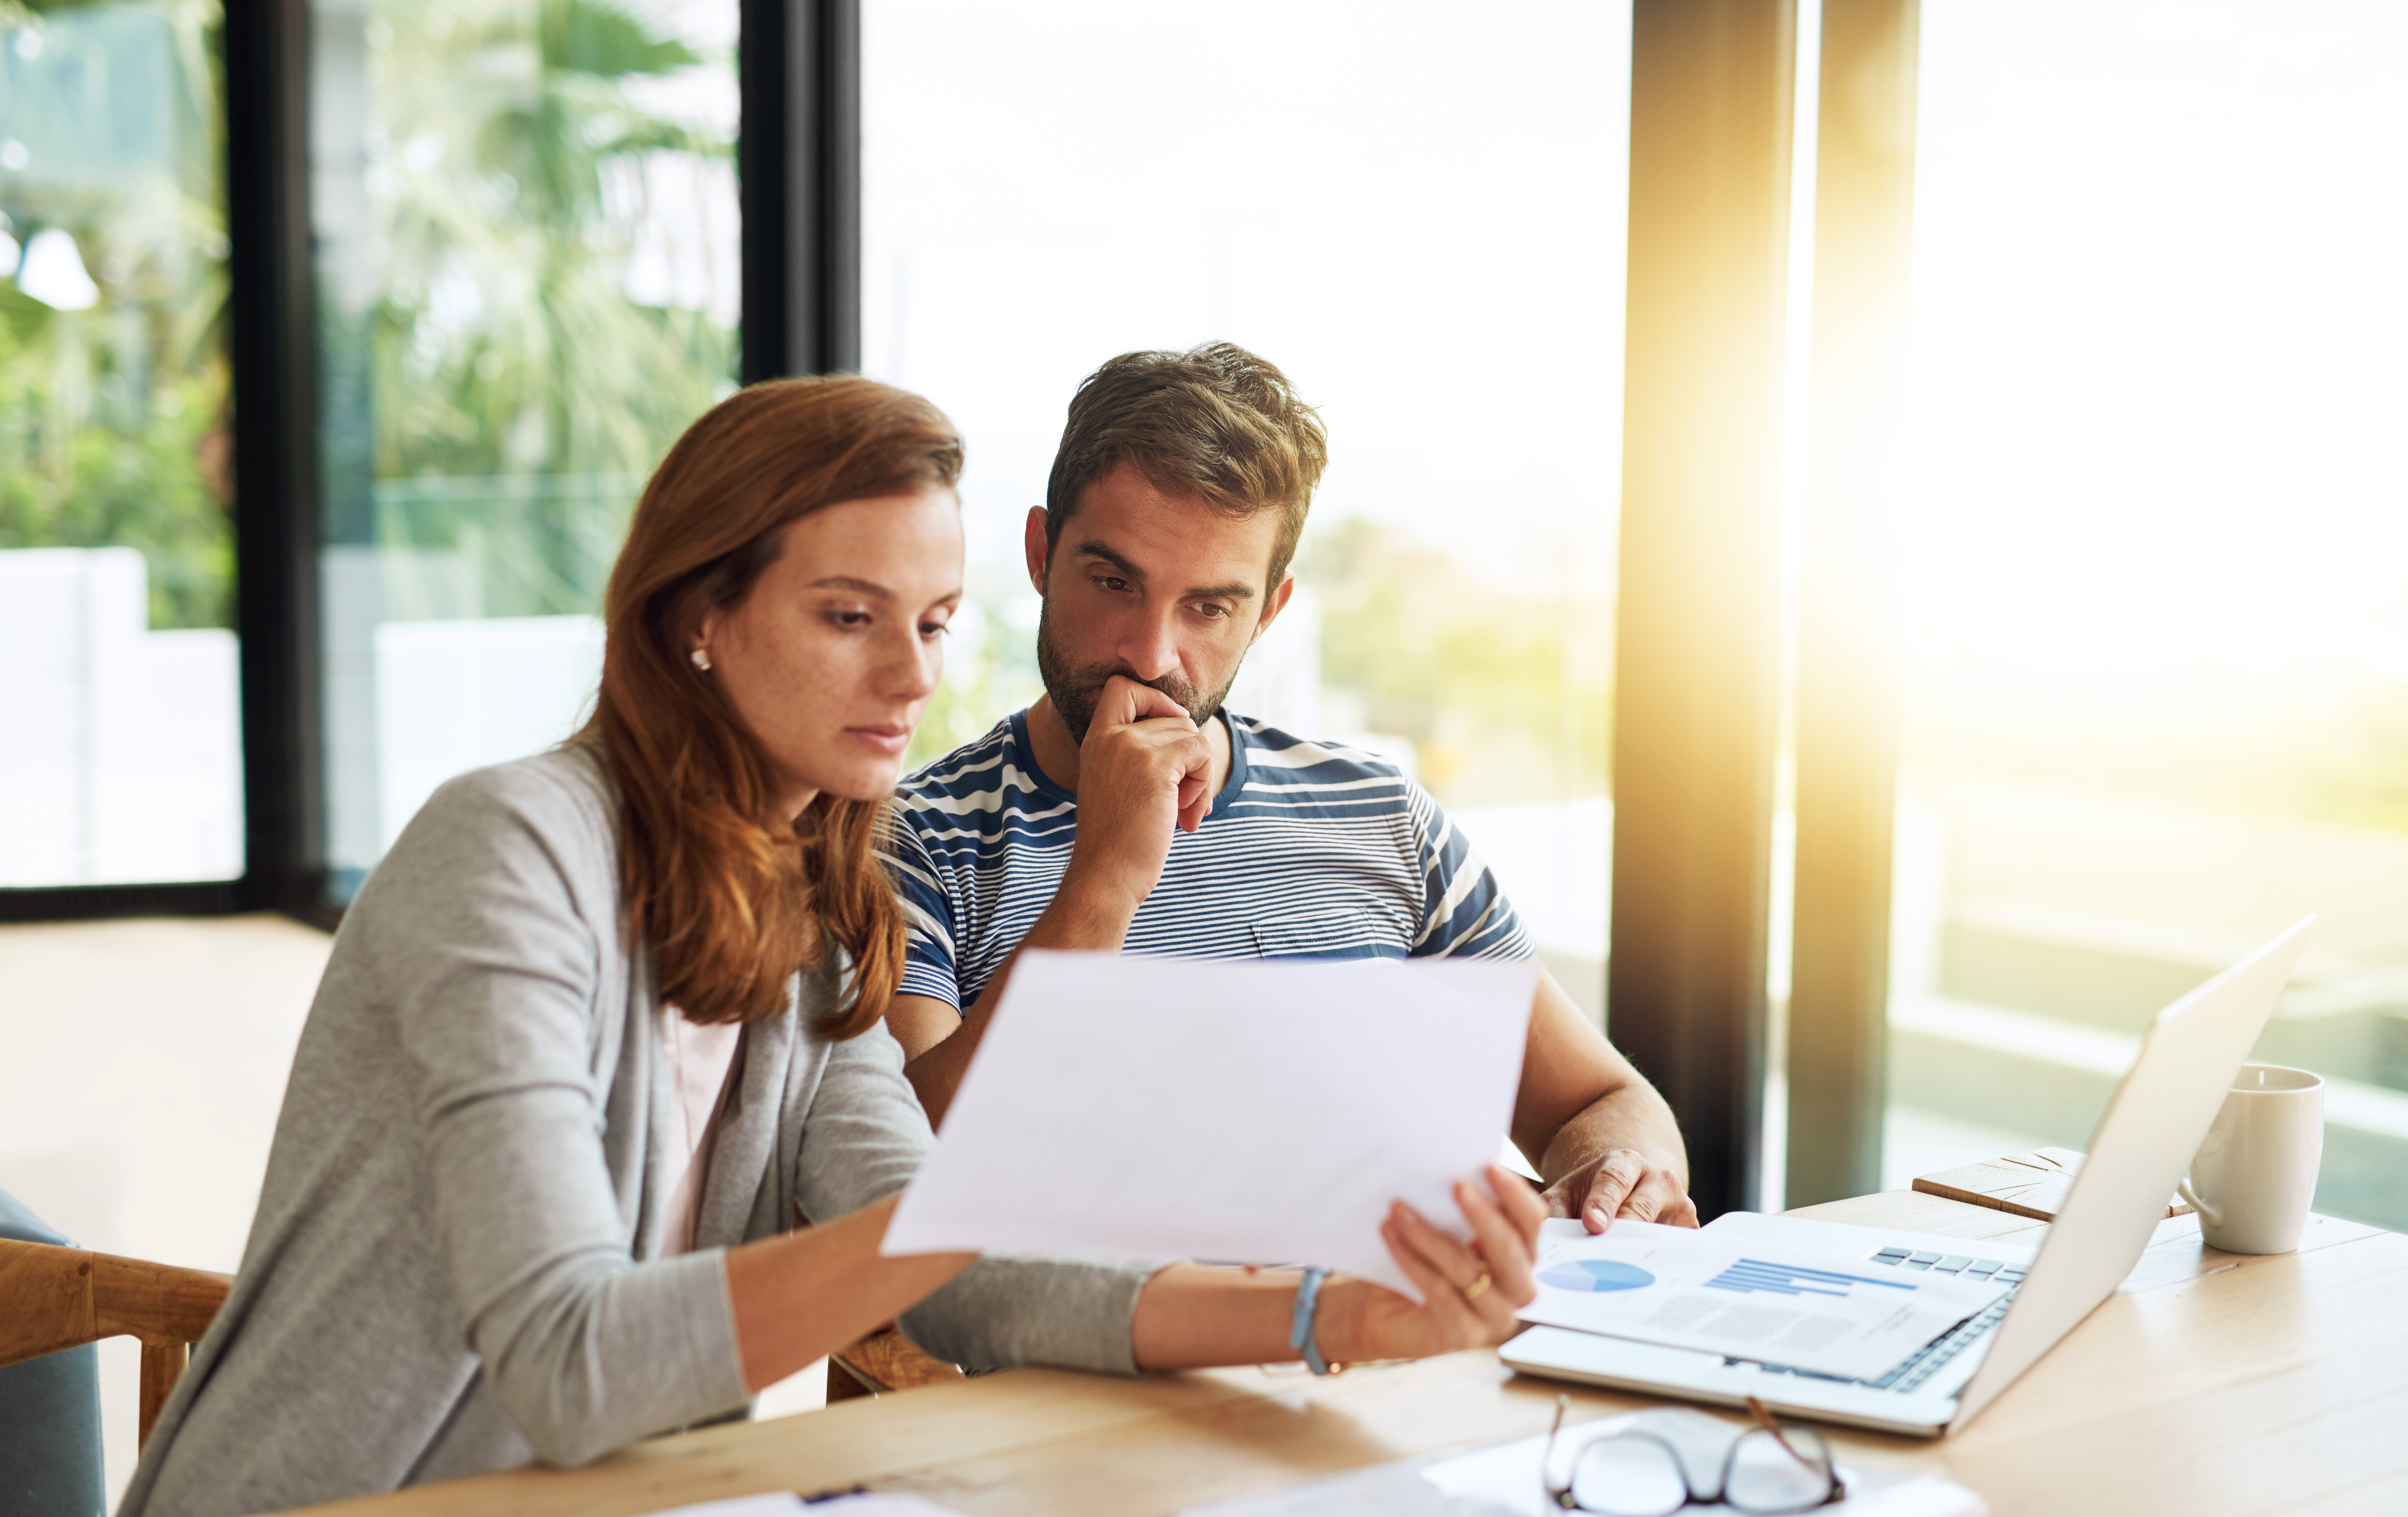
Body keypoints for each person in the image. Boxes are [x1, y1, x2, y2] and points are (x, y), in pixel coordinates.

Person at [120, 378, 1545, 1517]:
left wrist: (1331, 1308)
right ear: (700, 615)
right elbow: (570, 1357)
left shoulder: (816, 905)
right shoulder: (511, 849)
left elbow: (959, 1270)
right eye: (849, 617)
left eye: (931, 622)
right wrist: (1014, 1175)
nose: (913, 677)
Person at [883, 344, 1697, 1232]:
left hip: (1394, 1356)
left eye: (1209, 607)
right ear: (1042, 552)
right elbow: (900, 1183)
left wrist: (1618, 1172)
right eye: (1113, 582)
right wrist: (1104, 880)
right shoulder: (914, 842)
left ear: (1269, 611)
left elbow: (1602, 1102)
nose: (1151, 653)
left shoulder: (1381, 817)